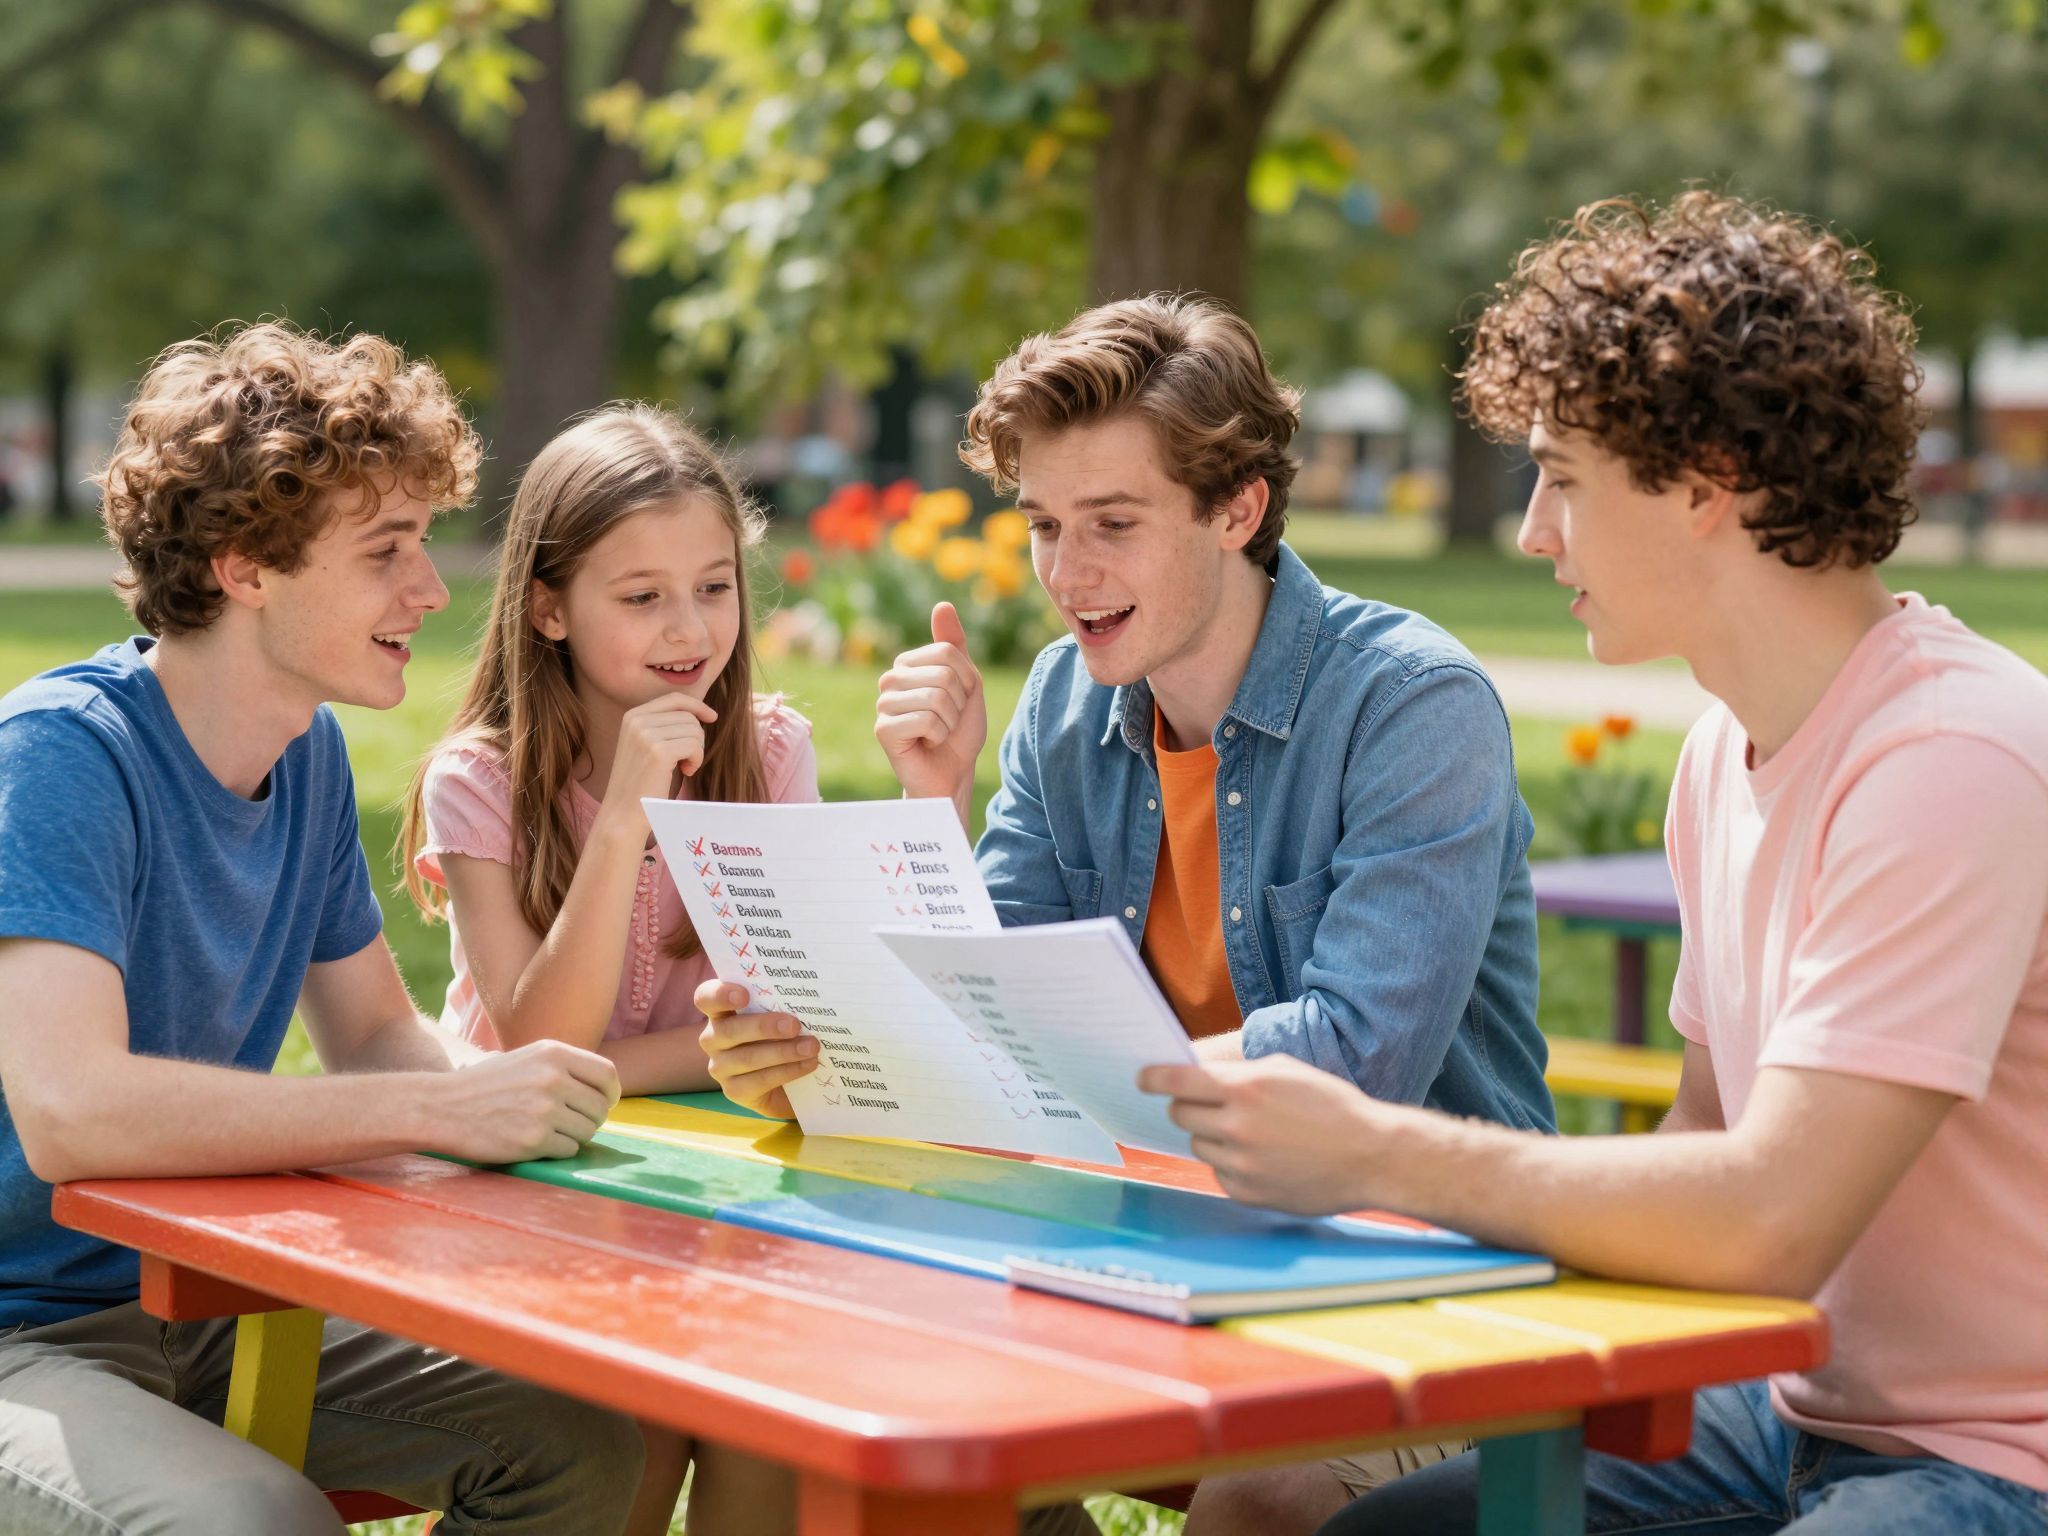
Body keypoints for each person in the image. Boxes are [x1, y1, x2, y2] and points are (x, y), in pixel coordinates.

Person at [1140, 194, 2048, 1536]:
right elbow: (1704, 1139)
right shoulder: (1722, 753)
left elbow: (1770, 1218)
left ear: (1707, 479)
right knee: (1372, 1529)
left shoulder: (1950, 755)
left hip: (2000, 1462)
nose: (1531, 531)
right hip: (1784, 1411)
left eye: (1561, 476)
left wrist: (1378, 1154)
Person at [699, 293, 1556, 1534]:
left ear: (1235, 510)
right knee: (824, 1403)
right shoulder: (1062, 701)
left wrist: (1054, 1063)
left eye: (1111, 523)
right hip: (1146, 1241)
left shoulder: (1411, 706)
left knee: (1261, 1501)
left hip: (1411, 1277)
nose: (1064, 574)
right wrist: (908, 860)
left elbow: (1352, 1065)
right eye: (1044, 525)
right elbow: (985, 1014)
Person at [0, 323, 643, 1533]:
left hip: (200, 1295)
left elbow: (375, 1038)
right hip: (22, 1333)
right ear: (247, 566)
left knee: (580, 1444)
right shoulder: (64, 755)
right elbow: (70, 1112)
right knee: (255, 1521)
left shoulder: (306, 755)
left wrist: (523, 1103)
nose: (432, 589)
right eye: (387, 550)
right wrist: (434, 1113)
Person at [399, 403, 818, 1535]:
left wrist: (604, 1075)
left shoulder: (770, 752)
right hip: (524, 1195)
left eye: (715, 586)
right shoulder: (478, 781)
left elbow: (789, 1027)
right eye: (640, 598)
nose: (689, 627)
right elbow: (540, 1041)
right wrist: (627, 810)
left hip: (711, 1179)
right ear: (548, 609)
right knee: (631, 1424)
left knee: (761, 1406)